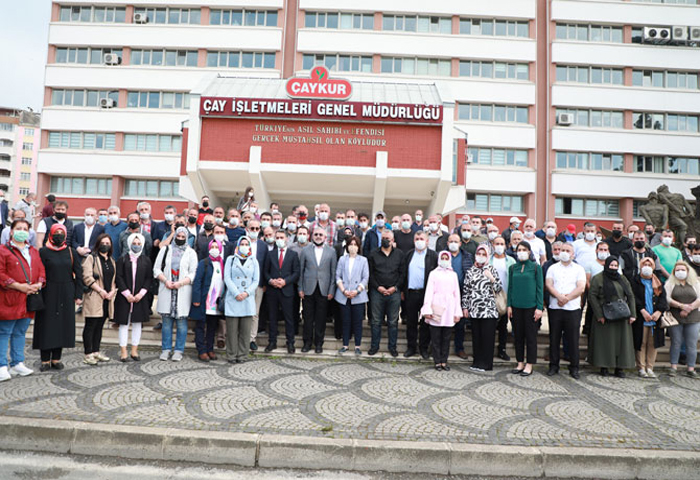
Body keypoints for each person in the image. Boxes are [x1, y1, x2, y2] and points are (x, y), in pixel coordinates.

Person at [33, 223, 83, 372]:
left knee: (62, 325)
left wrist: (78, 294)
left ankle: (56, 358)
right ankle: (44, 359)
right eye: (56, 232)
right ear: (51, 234)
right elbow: (37, 272)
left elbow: (78, 274)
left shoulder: (71, 251)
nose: (59, 235)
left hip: (66, 291)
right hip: (47, 291)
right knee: (46, 324)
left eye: (62, 233)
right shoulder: (43, 251)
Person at [0, 219, 45, 381]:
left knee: (20, 332)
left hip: (29, 298)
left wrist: (39, 283)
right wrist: (18, 286)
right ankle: (1, 365)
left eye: (25, 229)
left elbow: (41, 269)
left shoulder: (33, 250)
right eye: (18, 228)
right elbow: (1, 273)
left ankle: (17, 363)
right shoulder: (3, 250)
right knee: (4, 332)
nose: (22, 231)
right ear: (11, 231)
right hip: (10, 297)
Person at [154, 227, 198, 362]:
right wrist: (166, 280)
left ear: (186, 237)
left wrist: (181, 283)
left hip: (182, 289)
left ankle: (179, 350)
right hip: (167, 288)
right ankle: (166, 349)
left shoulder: (191, 253)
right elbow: (156, 268)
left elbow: (193, 273)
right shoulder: (165, 250)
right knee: (166, 324)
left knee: (181, 324)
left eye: (182, 237)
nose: (179, 239)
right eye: (177, 236)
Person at [588, 256, 636, 377]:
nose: (613, 268)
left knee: (621, 343)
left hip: (622, 315)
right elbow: (592, 296)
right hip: (605, 314)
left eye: (616, 266)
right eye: (611, 265)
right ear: (606, 265)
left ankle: (620, 368)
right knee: (604, 342)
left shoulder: (622, 279)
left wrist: (633, 314)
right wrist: (599, 315)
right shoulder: (598, 278)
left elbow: (630, 296)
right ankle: (604, 366)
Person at [545, 243, 586, 379]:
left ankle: (574, 367)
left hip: (572, 308)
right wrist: (558, 296)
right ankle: (553, 365)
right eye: (562, 250)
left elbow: (581, 288)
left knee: (573, 339)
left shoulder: (579, 269)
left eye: (567, 250)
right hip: (555, 307)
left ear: (573, 254)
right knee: (554, 338)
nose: (564, 252)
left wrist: (566, 298)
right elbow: (548, 284)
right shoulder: (552, 268)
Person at [462, 244, 503, 372]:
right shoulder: (470, 271)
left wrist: (491, 278)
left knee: (487, 337)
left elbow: (498, 288)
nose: (480, 257)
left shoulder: (492, 269)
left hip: (488, 310)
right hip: (474, 309)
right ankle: (477, 362)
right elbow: (466, 290)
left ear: (488, 256)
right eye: (479, 254)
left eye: (483, 254)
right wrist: (465, 307)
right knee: (477, 337)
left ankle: (486, 364)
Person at [507, 241, 544, 377]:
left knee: (531, 337)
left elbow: (540, 288)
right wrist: (509, 305)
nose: (521, 252)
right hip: (516, 307)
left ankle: (529, 364)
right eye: (519, 249)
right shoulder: (513, 268)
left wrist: (539, 307)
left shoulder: (535, 267)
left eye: (524, 249)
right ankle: (520, 362)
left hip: (531, 307)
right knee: (518, 337)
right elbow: (510, 288)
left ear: (529, 252)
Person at [421, 250, 462, 371]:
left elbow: (457, 294)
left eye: (446, 258)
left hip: (450, 306)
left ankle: (444, 360)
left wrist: (457, 311)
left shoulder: (453, 274)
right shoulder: (433, 274)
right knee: (436, 337)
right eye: (442, 258)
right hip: (436, 306)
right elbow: (429, 292)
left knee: (446, 337)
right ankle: (437, 361)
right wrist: (427, 308)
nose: (444, 260)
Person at [368, 229, 406, 357]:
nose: (385, 240)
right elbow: (370, 274)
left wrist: (395, 288)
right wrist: (378, 287)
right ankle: (374, 347)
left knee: (393, 322)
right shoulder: (373, 254)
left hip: (394, 292)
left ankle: (392, 348)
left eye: (388, 238)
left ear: (393, 240)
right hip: (377, 292)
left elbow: (402, 274)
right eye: (383, 238)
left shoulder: (400, 254)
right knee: (376, 321)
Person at [298, 228, 337, 353]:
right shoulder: (305, 250)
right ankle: (307, 343)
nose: (318, 236)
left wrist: (331, 290)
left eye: (321, 234)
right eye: (316, 234)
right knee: (308, 318)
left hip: (324, 289)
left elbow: (333, 272)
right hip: (308, 289)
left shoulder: (331, 252)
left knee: (321, 319)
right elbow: (301, 271)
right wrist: (300, 288)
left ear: (325, 237)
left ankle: (319, 343)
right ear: (312, 236)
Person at [115, 233, 152, 361]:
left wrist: (141, 294)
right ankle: (123, 351)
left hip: (139, 298)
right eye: (134, 244)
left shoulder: (146, 260)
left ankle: (134, 351)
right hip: (125, 297)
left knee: (137, 324)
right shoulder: (122, 259)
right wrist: (127, 293)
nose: (136, 246)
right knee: (124, 324)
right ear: (130, 244)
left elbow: (148, 278)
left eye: (139, 244)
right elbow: (118, 277)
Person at [221, 236, 259, 363]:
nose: (244, 246)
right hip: (233, 297)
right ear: (238, 245)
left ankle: (242, 355)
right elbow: (227, 277)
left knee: (245, 331)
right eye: (242, 243)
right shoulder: (231, 259)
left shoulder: (254, 260)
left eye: (246, 244)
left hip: (247, 298)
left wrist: (246, 293)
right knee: (231, 331)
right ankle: (231, 355)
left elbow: (256, 280)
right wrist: (236, 292)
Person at [81, 233, 116, 365]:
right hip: (95, 296)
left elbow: (113, 279)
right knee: (91, 325)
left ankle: (96, 351)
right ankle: (88, 353)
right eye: (103, 243)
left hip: (107, 298)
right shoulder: (91, 258)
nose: (105, 245)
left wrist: (112, 291)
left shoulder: (112, 260)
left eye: (108, 243)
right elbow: (87, 277)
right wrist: (100, 290)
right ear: (98, 244)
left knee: (100, 326)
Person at [403, 231, 438, 358]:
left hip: (426, 294)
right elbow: (404, 274)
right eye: (417, 238)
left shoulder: (433, 255)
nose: (419, 240)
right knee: (411, 322)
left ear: (427, 241)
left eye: (421, 238)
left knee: (425, 322)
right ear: (413, 241)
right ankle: (411, 347)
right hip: (411, 293)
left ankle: (423, 348)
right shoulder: (409, 255)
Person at [264, 229, 300, 353]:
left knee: (289, 318)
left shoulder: (293, 254)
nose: (279, 239)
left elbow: (296, 272)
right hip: (272, 291)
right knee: (272, 317)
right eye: (277, 237)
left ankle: (290, 342)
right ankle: (272, 342)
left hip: (287, 290)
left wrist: (285, 281)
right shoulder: (270, 254)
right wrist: (271, 281)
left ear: (286, 239)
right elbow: (265, 271)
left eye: (281, 237)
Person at [630, 257, 667, 378]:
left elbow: (663, 299)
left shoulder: (658, 282)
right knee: (641, 342)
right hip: (642, 317)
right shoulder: (634, 281)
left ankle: (650, 367)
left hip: (655, 317)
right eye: (644, 264)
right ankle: (641, 367)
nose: (647, 266)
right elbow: (633, 297)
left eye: (649, 264)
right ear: (640, 266)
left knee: (653, 343)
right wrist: (642, 311)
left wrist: (659, 312)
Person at [191, 238, 225, 362]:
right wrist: (196, 298)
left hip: (216, 302)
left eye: (217, 247)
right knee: (200, 326)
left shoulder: (223, 263)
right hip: (204, 300)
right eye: (212, 247)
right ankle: (201, 350)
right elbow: (197, 281)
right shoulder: (204, 263)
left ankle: (210, 348)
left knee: (212, 326)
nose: (215, 250)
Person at [664, 261, 700, 378]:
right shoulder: (670, 283)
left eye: (683, 270)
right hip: (675, 317)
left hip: (693, 317)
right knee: (676, 342)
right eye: (678, 270)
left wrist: (689, 308)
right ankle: (673, 366)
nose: (680, 272)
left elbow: (699, 298)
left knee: (691, 344)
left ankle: (691, 368)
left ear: (688, 271)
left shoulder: (695, 283)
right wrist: (681, 306)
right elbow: (667, 298)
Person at [334, 236, 368, 355]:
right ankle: (345, 345)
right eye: (350, 244)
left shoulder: (363, 260)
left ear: (358, 247)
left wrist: (357, 291)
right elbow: (337, 276)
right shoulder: (342, 259)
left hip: (358, 296)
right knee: (345, 321)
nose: (352, 247)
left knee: (357, 321)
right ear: (347, 246)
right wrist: (343, 290)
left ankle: (357, 346)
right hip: (343, 295)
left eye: (355, 244)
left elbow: (365, 278)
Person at [490, 236, 515, 362]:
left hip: (505, 297)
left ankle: (502, 350)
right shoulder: (489, 260)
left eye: (501, 243)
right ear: (492, 245)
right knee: (490, 325)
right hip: (490, 297)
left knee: (503, 326)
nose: (499, 246)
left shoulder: (511, 261)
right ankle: (488, 350)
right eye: (497, 243)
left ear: (505, 246)